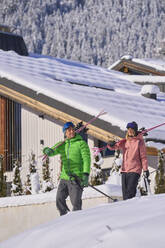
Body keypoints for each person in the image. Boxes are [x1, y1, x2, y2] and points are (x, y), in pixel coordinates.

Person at [43, 121, 91, 216]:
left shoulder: (81, 143)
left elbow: (87, 160)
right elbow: (52, 151)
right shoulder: (62, 144)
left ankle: (77, 221)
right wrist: (46, 150)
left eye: (73, 129)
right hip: (64, 178)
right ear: (65, 132)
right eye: (69, 130)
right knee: (59, 200)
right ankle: (65, 219)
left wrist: (86, 174)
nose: (71, 131)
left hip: (76, 178)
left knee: (76, 203)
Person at [107, 121, 149, 200]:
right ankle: (127, 211)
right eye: (128, 129)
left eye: (132, 129)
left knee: (130, 193)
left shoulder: (139, 142)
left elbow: (143, 157)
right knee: (125, 195)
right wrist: (110, 144)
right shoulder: (125, 141)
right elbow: (114, 147)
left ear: (135, 130)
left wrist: (145, 169)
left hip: (135, 170)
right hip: (124, 170)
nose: (130, 131)